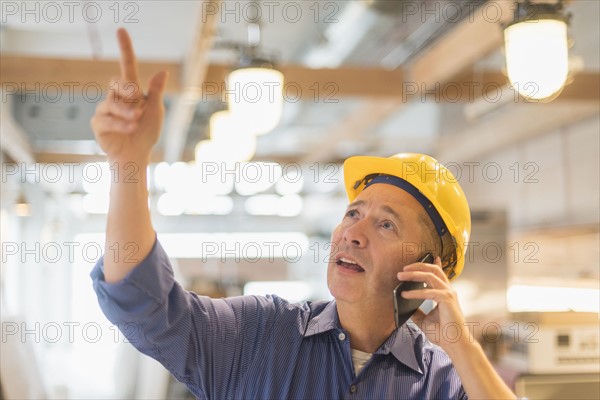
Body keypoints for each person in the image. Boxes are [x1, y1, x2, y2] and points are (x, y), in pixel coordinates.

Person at [90, 29, 516, 399]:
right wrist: (129, 163)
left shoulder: (442, 382)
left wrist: (460, 344)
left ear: (425, 271)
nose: (353, 233)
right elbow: (143, 306)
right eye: (353, 213)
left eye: (386, 224)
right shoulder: (257, 335)